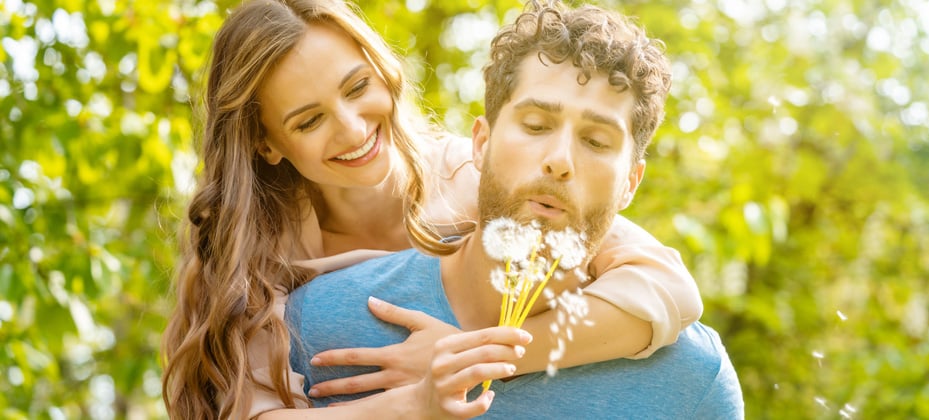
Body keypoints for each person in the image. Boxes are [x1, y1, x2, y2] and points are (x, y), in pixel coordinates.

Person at [160, 0, 703, 418]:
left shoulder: (475, 176)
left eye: (357, 87)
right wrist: (414, 402)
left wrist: (484, 356)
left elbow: (667, 287)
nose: (352, 128)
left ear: (383, 71)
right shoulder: (254, 256)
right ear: (267, 144)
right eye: (309, 120)